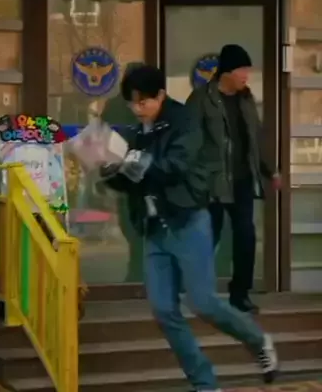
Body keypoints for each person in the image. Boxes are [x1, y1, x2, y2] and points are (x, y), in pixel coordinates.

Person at [98, 64, 277, 392]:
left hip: (188, 221)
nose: (137, 109)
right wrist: (111, 171)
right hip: (154, 229)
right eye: (132, 103)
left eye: (143, 102)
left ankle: (258, 340)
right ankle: (205, 384)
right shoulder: (137, 130)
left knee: (203, 302)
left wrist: (136, 163)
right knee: (164, 311)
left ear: (160, 95)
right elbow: (132, 182)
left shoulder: (185, 121)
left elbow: (174, 168)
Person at [186, 44, 281, 314]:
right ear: (227, 71)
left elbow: (256, 139)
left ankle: (240, 295)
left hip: (241, 181)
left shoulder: (246, 99)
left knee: (246, 237)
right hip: (212, 183)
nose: (246, 76)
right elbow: (189, 140)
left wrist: (270, 171)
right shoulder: (201, 99)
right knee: (207, 240)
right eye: (242, 70)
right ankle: (199, 294)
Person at [101, 62, 143, 282]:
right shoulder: (119, 105)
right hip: (130, 171)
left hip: (130, 171)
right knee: (133, 224)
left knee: (133, 225)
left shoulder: (116, 104)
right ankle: (138, 271)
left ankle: (137, 271)